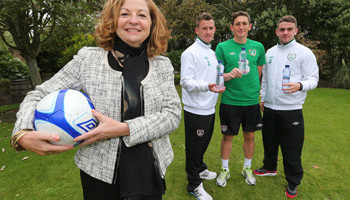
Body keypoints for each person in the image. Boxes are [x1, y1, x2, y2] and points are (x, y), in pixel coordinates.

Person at [10, 0, 182, 199]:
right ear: (113, 20)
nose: (133, 20)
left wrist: (124, 129)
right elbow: (38, 94)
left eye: (142, 15)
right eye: (125, 14)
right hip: (98, 173)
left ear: (152, 23)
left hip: (148, 170)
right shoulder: (88, 60)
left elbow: (172, 115)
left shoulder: (163, 66)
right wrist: (21, 133)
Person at [253, 15, 319, 199]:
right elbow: (264, 78)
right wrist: (263, 97)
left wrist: (300, 85)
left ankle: (293, 180)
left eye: (289, 29)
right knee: (270, 141)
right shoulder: (270, 52)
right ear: (277, 31)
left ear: (296, 31)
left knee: (291, 148)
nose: (285, 32)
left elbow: (313, 79)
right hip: (271, 108)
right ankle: (269, 167)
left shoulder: (304, 53)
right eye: (282, 29)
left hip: (292, 109)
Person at [215, 11, 266, 187]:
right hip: (230, 100)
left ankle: (247, 167)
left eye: (244, 23)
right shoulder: (222, 47)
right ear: (232, 27)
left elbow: (258, 74)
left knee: (250, 135)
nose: (241, 27)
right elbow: (217, 75)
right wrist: (229, 75)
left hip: (251, 101)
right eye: (237, 24)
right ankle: (224, 169)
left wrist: (256, 93)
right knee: (228, 136)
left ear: (250, 27)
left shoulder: (258, 47)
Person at [180, 12, 225, 200]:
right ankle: (193, 185)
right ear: (197, 30)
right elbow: (186, 82)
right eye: (204, 28)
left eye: (211, 28)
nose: (208, 31)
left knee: (203, 145)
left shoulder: (211, 52)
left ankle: (200, 169)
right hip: (195, 110)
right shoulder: (189, 53)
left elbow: (212, 77)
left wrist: (226, 77)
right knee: (194, 149)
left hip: (209, 108)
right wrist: (207, 86)